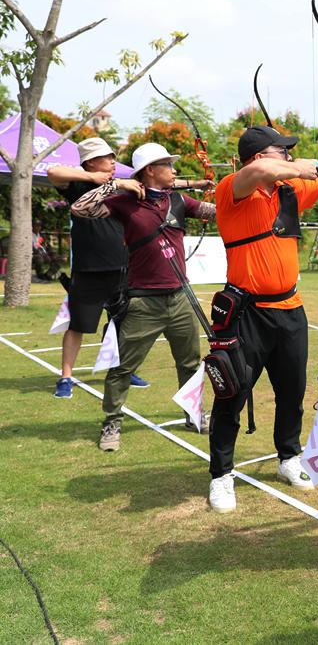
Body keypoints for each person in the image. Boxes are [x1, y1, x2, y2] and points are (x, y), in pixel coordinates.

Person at [207, 125, 318, 513]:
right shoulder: (234, 190)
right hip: (247, 313)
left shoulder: (287, 191)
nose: (289, 157)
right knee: (232, 393)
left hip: (290, 310)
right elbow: (257, 175)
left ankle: (288, 457)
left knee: (291, 392)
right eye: (282, 152)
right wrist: (299, 167)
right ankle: (222, 475)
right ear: (259, 157)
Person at [71, 142, 216, 452]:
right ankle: (112, 421)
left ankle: (194, 414)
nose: (174, 169)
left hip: (180, 299)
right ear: (150, 170)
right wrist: (116, 183)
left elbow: (216, 214)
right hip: (142, 302)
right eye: (167, 164)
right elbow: (79, 208)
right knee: (123, 367)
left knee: (190, 363)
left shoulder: (178, 200)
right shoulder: (124, 202)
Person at [48, 138, 151, 399]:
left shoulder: (120, 187)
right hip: (88, 268)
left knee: (122, 324)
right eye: (108, 157)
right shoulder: (78, 184)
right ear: (92, 161)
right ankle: (66, 377)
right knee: (78, 325)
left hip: (121, 266)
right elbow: (52, 172)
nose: (114, 161)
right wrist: (95, 177)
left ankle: (121, 370)